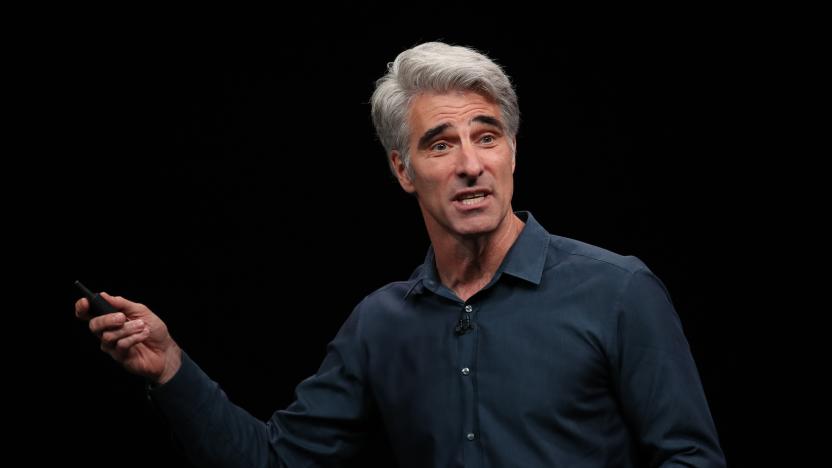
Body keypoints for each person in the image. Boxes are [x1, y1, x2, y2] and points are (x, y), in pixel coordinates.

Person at [75, 42, 726, 467]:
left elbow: (691, 461)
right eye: (441, 144)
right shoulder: (380, 325)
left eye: (488, 136)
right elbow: (273, 462)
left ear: (514, 153)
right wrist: (170, 369)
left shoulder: (617, 291)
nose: (472, 165)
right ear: (403, 169)